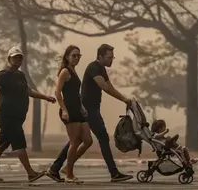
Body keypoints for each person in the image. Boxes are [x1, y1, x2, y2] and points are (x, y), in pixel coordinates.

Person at [46, 44, 133, 183]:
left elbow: (109, 85)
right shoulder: (93, 68)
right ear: (100, 56)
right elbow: (104, 87)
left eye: (78, 56)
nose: (111, 60)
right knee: (100, 138)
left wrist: (125, 99)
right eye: (109, 57)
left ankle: (57, 168)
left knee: (80, 140)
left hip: (84, 108)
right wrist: (124, 99)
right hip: (87, 109)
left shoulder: (99, 69)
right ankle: (113, 173)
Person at [0, 46, 56, 183]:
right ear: (9, 59)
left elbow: (29, 91)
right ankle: (31, 173)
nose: (18, 60)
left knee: (2, 145)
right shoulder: (3, 74)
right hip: (8, 116)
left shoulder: (20, 75)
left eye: (20, 57)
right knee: (19, 143)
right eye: (15, 57)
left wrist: (45, 97)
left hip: (18, 116)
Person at [54, 45, 93, 183]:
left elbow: (76, 94)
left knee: (88, 140)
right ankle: (69, 175)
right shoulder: (65, 71)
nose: (76, 58)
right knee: (74, 142)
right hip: (69, 109)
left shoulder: (74, 71)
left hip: (78, 109)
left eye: (78, 56)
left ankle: (67, 167)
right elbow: (57, 92)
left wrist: (82, 107)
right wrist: (64, 110)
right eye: (74, 55)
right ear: (67, 57)